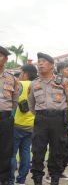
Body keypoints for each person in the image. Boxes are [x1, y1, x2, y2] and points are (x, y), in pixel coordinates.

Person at [28, 52, 68, 185]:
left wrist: (58, 114)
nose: (40, 63)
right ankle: (37, 180)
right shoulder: (33, 84)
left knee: (57, 151)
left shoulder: (63, 82)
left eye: (43, 61)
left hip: (58, 120)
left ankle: (54, 180)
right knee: (37, 151)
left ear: (52, 65)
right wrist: (42, 114)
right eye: (39, 61)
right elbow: (31, 105)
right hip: (41, 119)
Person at [10, 64, 37, 185]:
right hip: (31, 125)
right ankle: (21, 180)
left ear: (25, 74)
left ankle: (10, 179)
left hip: (17, 124)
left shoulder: (19, 85)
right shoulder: (37, 86)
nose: (20, 75)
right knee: (25, 153)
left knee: (12, 153)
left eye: (21, 73)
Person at [0, 46, 19, 185]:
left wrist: (8, 115)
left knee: (6, 150)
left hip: (5, 118)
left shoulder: (12, 79)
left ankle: (4, 179)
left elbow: (15, 101)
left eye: (1, 55)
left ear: (6, 59)